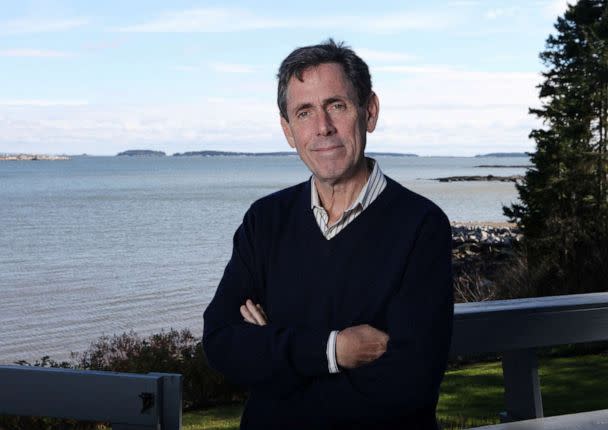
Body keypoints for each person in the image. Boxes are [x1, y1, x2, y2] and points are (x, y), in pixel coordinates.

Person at [203, 39, 453, 430]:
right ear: (288, 130)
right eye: (304, 113)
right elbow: (222, 343)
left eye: (336, 105)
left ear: (369, 112)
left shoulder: (421, 226)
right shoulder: (264, 220)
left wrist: (275, 355)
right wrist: (334, 351)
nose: (323, 128)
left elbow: (409, 385)